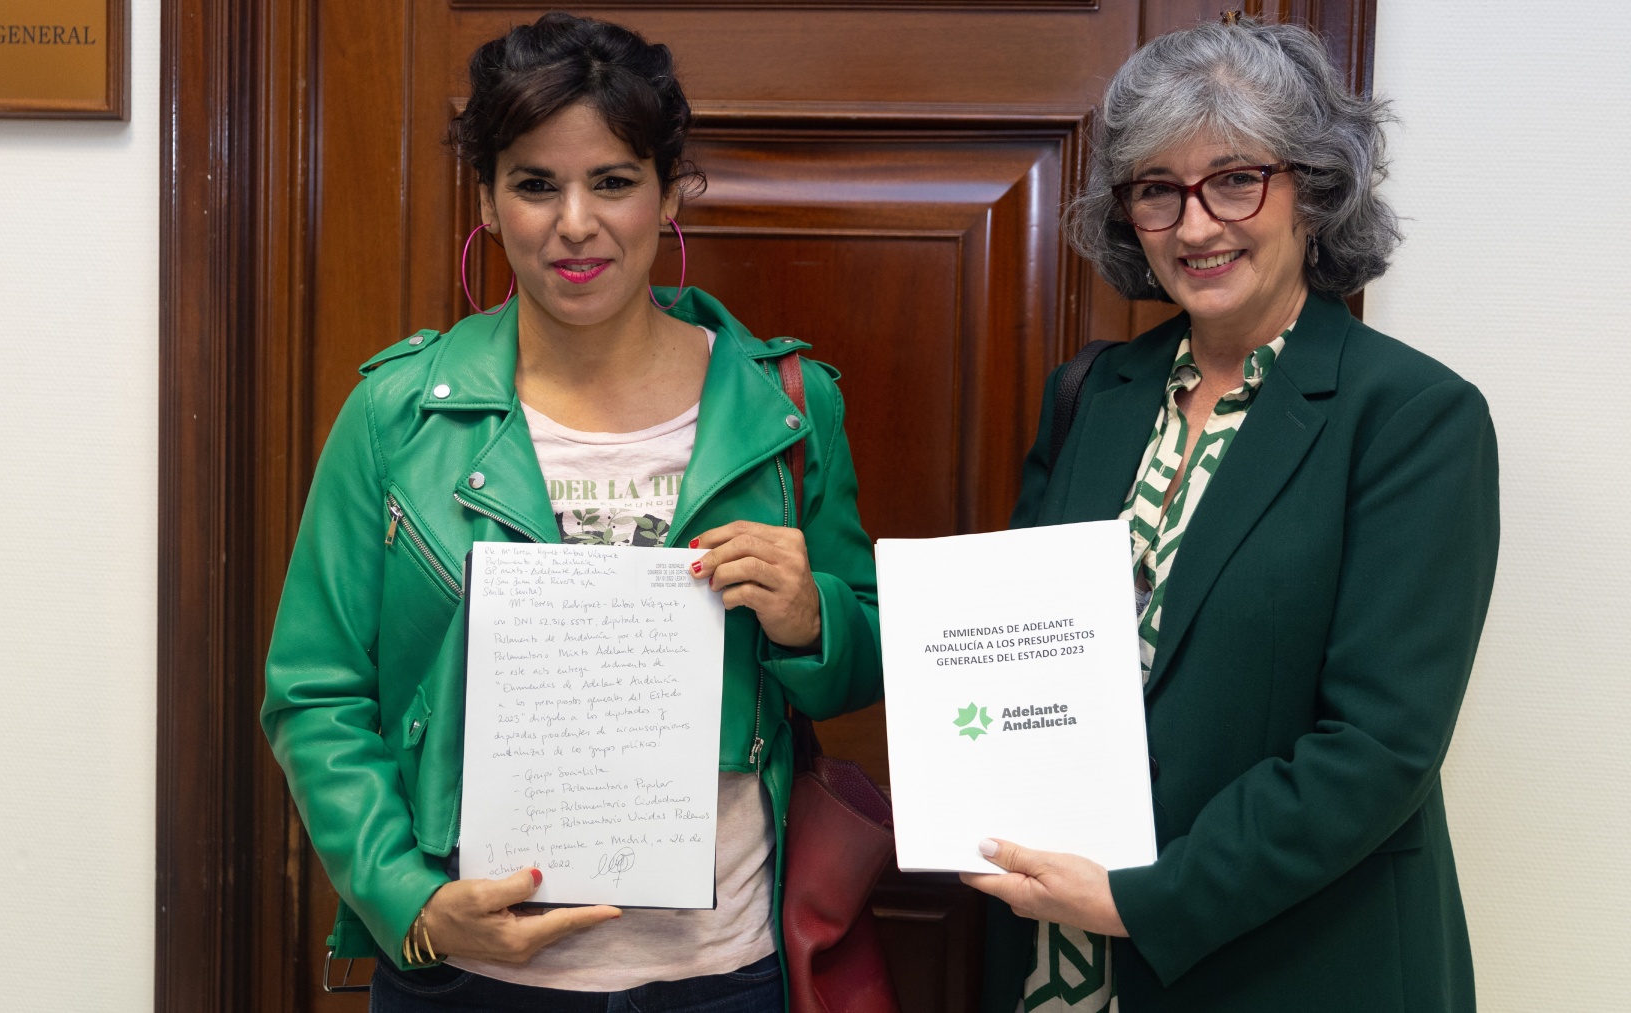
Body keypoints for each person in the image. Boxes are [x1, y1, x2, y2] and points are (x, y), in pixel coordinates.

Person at [261, 13, 882, 1012]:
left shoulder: (789, 406)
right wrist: (410, 901)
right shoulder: (398, 412)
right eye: (535, 183)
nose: (574, 223)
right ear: (489, 197)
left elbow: (859, 660)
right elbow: (314, 691)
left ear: (669, 190)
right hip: (471, 974)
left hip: (721, 972)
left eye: (613, 181)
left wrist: (813, 619)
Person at [964, 16, 1498, 1013]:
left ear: (1315, 190)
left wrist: (1146, 895)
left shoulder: (1415, 419)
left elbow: (1378, 746)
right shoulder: (1093, 392)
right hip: (1061, 957)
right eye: (1159, 189)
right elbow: (1018, 654)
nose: (1197, 225)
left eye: (1236, 178)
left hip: (1291, 962)